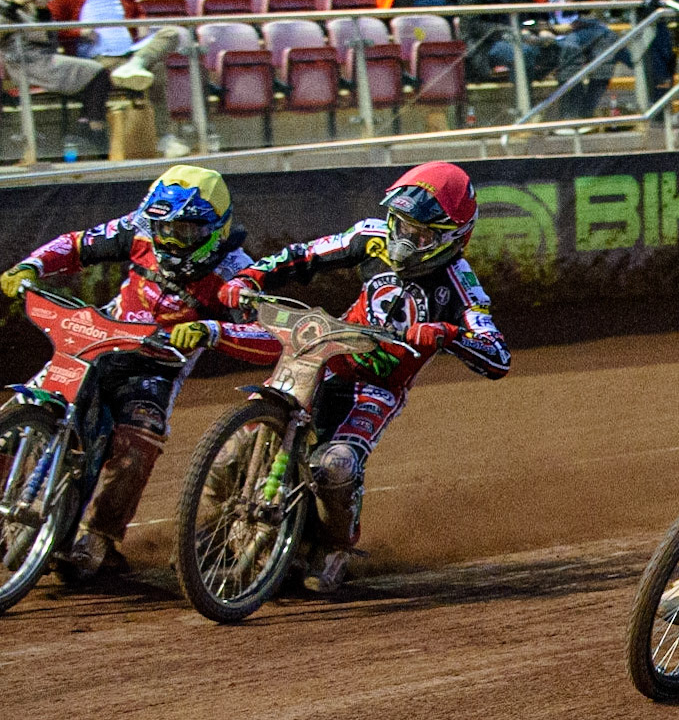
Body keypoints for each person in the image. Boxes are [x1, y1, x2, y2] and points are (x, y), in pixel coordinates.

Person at [219, 163, 511, 594]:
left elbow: (498, 355)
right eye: (401, 225)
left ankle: (335, 548)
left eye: (421, 234)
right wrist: (250, 276)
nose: (403, 241)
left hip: (377, 387)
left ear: (453, 238)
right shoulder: (370, 237)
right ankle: (204, 533)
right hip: (327, 354)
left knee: (335, 464)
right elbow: (303, 255)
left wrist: (447, 333)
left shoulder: (460, 283)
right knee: (237, 444)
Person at [0, 167, 276, 578]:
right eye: (166, 229)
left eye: (188, 231)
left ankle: (100, 538)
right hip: (97, 342)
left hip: (155, 367)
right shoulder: (138, 230)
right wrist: (31, 266)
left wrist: (212, 331)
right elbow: (77, 245)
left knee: (136, 445)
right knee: (9, 424)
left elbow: (266, 332)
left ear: (218, 227)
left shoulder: (236, 269)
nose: (173, 240)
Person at [47, 0, 187, 158]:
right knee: (156, 71)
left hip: (130, 52)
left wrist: (141, 23)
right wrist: (79, 32)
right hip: (101, 58)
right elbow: (49, 26)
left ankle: (138, 66)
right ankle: (162, 136)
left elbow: (138, 13)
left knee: (171, 33)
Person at [0, 0, 111, 152]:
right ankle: (92, 130)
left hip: (44, 59)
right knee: (97, 72)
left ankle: (88, 126)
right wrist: (13, 6)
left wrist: (43, 12)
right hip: (21, 62)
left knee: (97, 74)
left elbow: (50, 40)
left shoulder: (29, 4)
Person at [530, 0, 622, 118]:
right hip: (551, 38)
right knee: (573, 45)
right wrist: (554, 29)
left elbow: (586, 10)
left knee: (609, 41)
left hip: (577, 35)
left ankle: (587, 109)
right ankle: (570, 113)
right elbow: (529, 20)